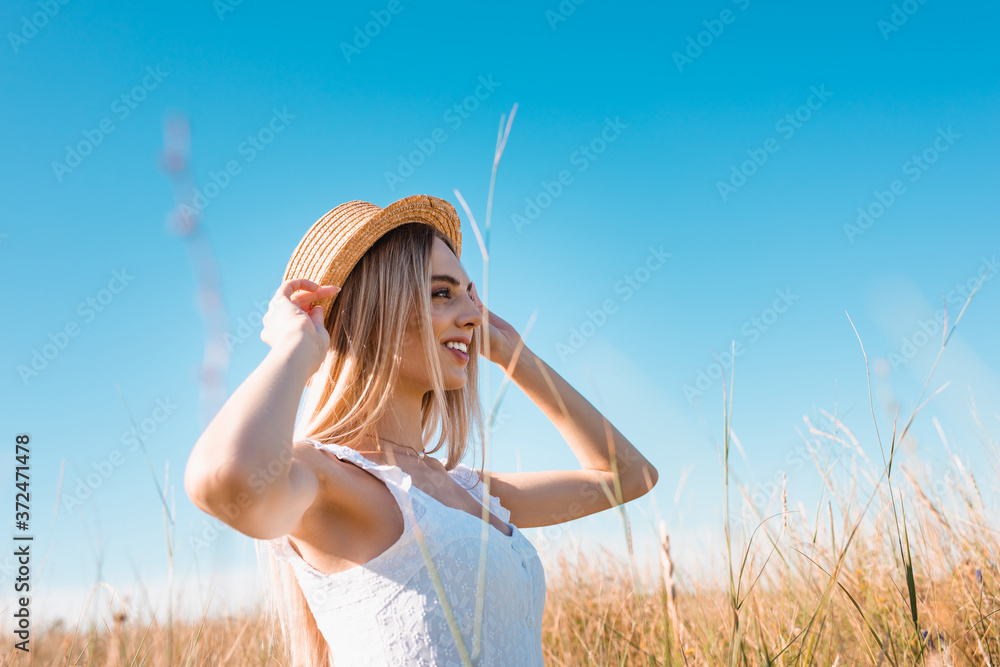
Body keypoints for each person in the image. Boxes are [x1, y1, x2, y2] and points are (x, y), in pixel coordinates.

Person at [184, 194, 659, 666]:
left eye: (471, 295)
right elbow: (225, 478)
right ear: (375, 311)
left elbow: (628, 477)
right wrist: (295, 347)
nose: (473, 314)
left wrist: (515, 354)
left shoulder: (467, 490)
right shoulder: (330, 477)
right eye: (441, 293)